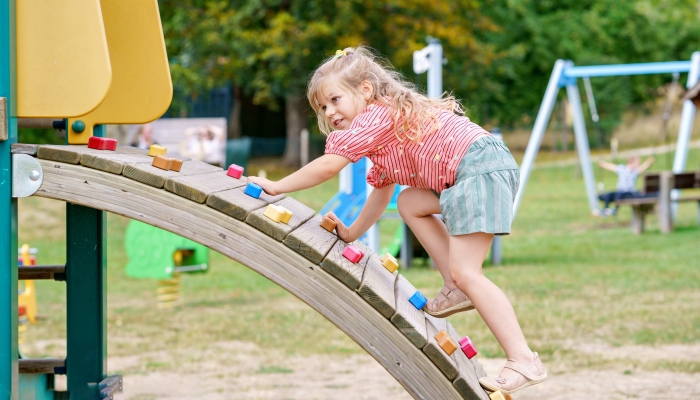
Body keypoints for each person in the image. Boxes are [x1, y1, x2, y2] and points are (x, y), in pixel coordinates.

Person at [247, 47, 546, 395]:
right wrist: (352, 232)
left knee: (470, 273)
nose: (330, 112)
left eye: (334, 100)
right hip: (467, 172)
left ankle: (523, 359)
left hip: (476, 169)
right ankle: (453, 286)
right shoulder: (386, 133)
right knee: (410, 201)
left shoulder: (377, 116)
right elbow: (382, 193)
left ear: (365, 90)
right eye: (322, 108)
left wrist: (277, 186)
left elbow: (329, 166)